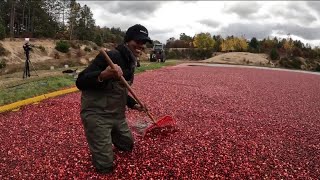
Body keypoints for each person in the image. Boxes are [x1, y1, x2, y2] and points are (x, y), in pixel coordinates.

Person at [76, 24, 152, 174]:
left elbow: (120, 90)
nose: (141, 46)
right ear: (128, 41)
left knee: (127, 146)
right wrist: (103, 75)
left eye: (143, 43)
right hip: (97, 114)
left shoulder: (131, 62)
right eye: (137, 41)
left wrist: (134, 104)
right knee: (105, 166)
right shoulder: (112, 56)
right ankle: (101, 135)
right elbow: (80, 81)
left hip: (117, 115)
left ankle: (108, 134)